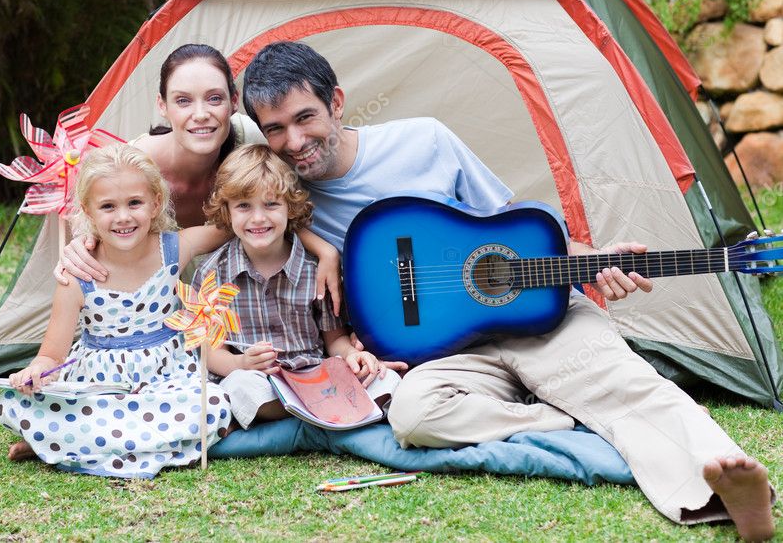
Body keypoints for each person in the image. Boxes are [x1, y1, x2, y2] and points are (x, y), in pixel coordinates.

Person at [238, 41, 775, 541]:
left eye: (305, 117)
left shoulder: (424, 140)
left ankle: (726, 487)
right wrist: (321, 247)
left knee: (626, 383)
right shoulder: (276, 192)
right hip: (439, 353)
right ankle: (565, 415)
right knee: (413, 417)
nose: (294, 142)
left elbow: (516, 230)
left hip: (535, 318)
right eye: (276, 129)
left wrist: (593, 262)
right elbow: (196, 154)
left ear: (336, 102)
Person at [0, 143, 233, 477]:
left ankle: (66, 445)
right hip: (100, 386)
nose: (123, 217)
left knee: (211, 403)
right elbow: (52, 355)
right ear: (88, 213)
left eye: (134, 203)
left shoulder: (174, 248)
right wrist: (34, 372)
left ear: (156, 203)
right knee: (18, 404)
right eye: (107, 206)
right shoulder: (77, 277)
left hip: (166, 377)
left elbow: (235, 224)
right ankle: (91, 440)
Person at [56, 43, 343, 310]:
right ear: (162, 106)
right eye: (183, 101)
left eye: (214, 98)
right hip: (156, 313)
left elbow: (283, 202)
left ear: (233, 102)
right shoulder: (129, 170)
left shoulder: (250, 140)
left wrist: (323, 249)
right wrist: (78, 248)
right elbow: (95, 234)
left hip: (239, 312)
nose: (201, 114)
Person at [196, 144, 400, 429]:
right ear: (227, 211)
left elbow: (334, 341)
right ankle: (325, 416)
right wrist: (240, 364)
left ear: (289, 208)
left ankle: (314, 414)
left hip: (316, 375)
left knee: (384, 379)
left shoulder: (315, 269)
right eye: (244, 205)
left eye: (270, 204)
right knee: (239, 387)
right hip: (260, 380)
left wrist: (354, 356)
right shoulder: (212, 273)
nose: (258, 218)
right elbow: (210, 352)